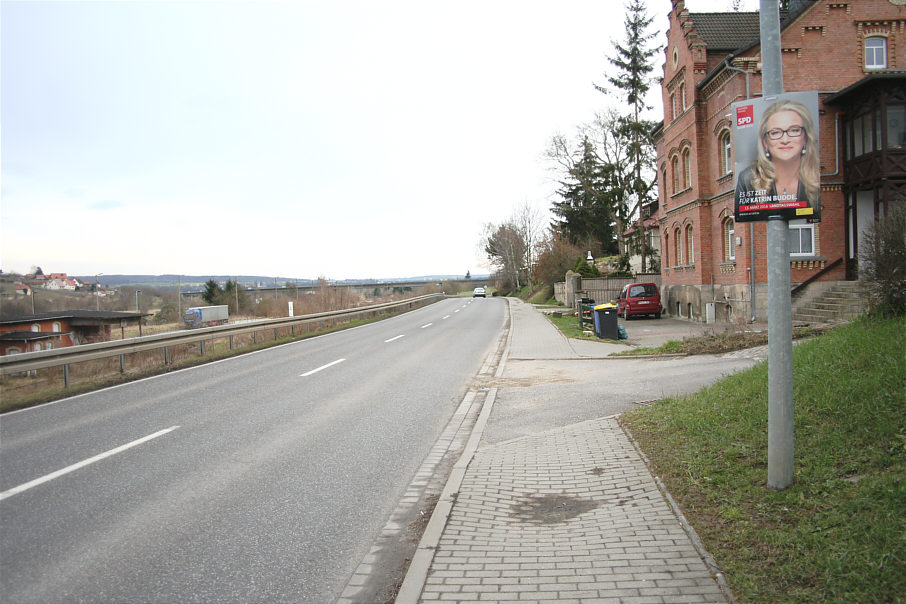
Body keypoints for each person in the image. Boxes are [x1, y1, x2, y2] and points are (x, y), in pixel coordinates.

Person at [735, 99, 820, 217]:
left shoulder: (816, 177)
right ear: (765, 142)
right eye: (775, 133)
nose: (785, 140)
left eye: (794, 130)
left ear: (805, 137)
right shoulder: (748, 179)